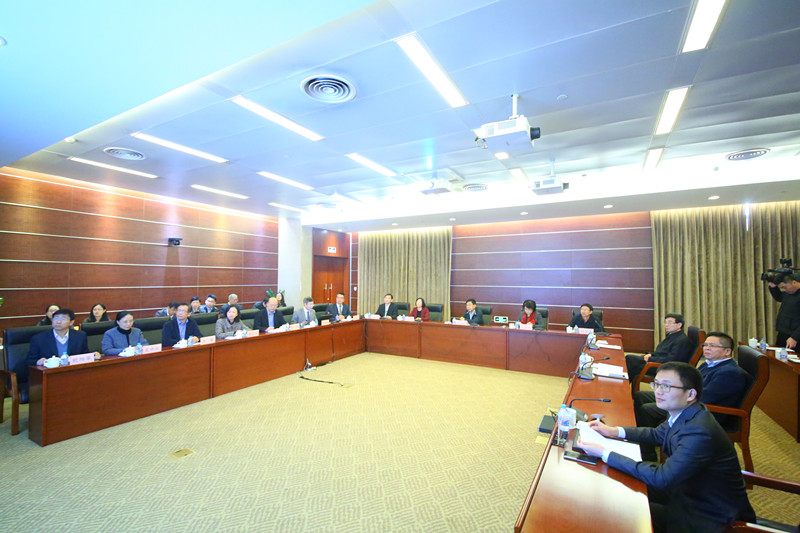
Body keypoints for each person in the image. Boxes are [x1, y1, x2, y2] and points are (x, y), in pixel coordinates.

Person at [579, 362, 756, 533]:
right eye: (656, 384)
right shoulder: (688, 412)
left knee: (624, 510)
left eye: (666, 386)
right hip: (685, 489)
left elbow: (662, 478)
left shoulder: (699, 431)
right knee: (617, 487)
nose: (658, 391)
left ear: (690, 394)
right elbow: (656, 434)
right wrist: (613, 431)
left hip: (708, 515)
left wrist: (605, 453)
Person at [633, 332, 753, 459]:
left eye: (712, 346)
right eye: (705, 345)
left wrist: (674, 395)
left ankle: (647, 453)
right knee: (641, 396)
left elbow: (705, 398)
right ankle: (650, 440)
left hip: (707, 412)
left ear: (727, 351)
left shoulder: (730, 373)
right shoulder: (708, 364)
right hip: (689, 400)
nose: (706, 348)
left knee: (647, 410)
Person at [626, 313, 694, 386]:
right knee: (630, 359)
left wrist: (651, 359)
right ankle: (624, 386)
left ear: (679, 325)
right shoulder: (672, 335)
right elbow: (662, 352)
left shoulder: (681, 341)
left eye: (670, 322)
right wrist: (651, 354)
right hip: (658, 361)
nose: (666, 325)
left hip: (664, 368)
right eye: (665, 322)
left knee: (631, 364)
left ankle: (623, 387)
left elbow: (671, 360)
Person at [768, 273, 800, 349]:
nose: (784, 290)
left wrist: (795, 337)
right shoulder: (790, 292)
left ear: (794, 282)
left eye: (784, 287)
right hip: (783, 332)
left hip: (795, 336)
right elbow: (779, 297)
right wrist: (773, 286)